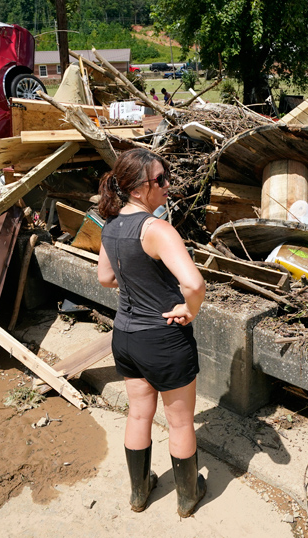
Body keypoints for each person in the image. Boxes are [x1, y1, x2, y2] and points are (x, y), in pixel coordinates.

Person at [96, 148, 207, 517]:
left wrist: (137, 281)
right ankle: (188, 497)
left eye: (166, 175)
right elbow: (194, 283)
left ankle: (139, 493)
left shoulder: (110, 226)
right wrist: (190, 310)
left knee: (139, 415)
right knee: (180, 421)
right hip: (162, 338)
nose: (167, 184)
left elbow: (105, 277)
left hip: (125, 336)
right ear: (138, 189)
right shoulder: (157, 229)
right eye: (160, 179)